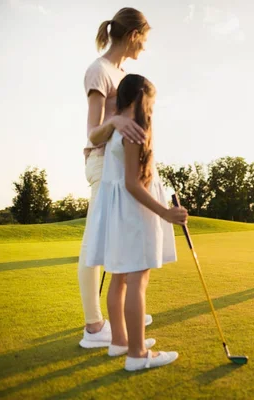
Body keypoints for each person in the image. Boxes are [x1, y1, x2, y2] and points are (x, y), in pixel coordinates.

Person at [85, 73, 188, 371]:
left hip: (121, 213)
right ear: (142, 98)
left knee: (119, 277)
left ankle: (120, 341)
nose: (153, 110)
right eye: (152, 103)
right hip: (132, 213)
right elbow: (132, 183)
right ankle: (137, 354)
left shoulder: (118, 130)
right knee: (136, 281)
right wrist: (165, 213)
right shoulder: (135, 129)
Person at [79, 7, 153, 349]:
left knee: (116, 240)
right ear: (134, 35)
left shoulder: (122, 74)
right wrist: (115, 123)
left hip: (116, 163)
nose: (145, 47)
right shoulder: (100, 71)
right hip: (100, 163)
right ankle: (95, 327)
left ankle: (120, 316)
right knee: (95, 243)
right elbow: (93, 133)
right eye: (145, 39)